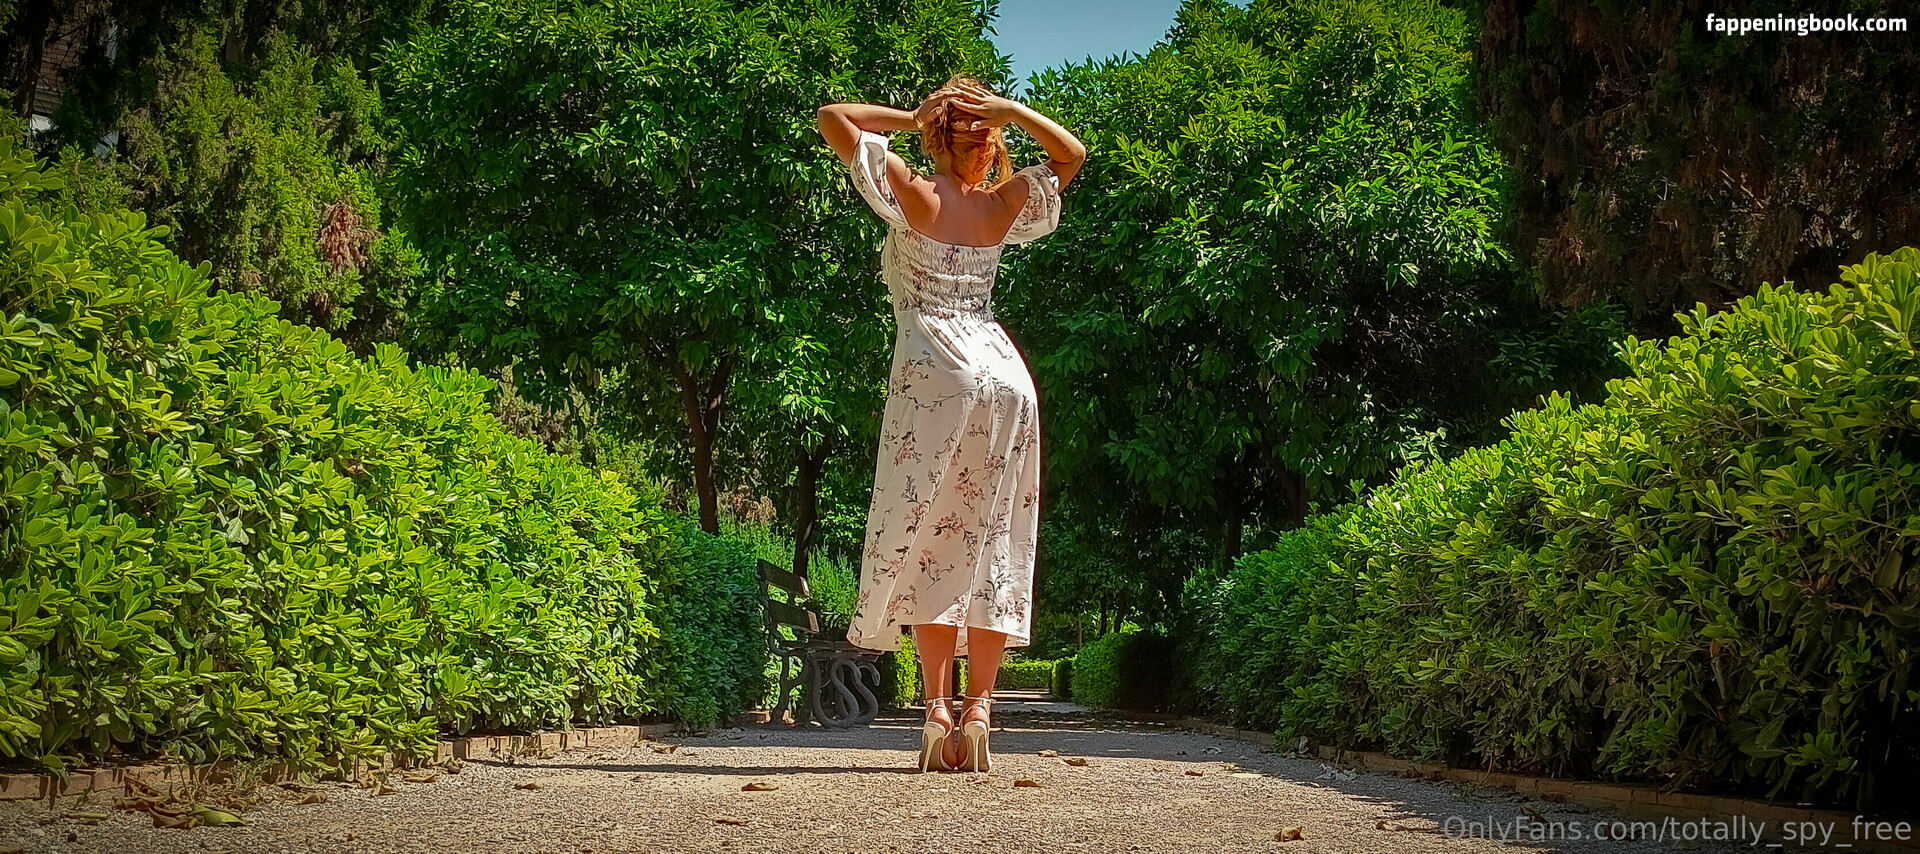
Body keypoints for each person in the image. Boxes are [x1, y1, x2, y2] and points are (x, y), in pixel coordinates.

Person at [816, 77, 1085, 772]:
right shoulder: (1000, 205)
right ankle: (981, 710)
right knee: (992, 543)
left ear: (935, 138)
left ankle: (937, 710)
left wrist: (914, 118)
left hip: (936, 372)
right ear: (991, 143)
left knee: (934, 543)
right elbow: (1072, 154)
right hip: (1006, 377)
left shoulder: (911, 190)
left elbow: (833, 117)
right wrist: (1012, 112)